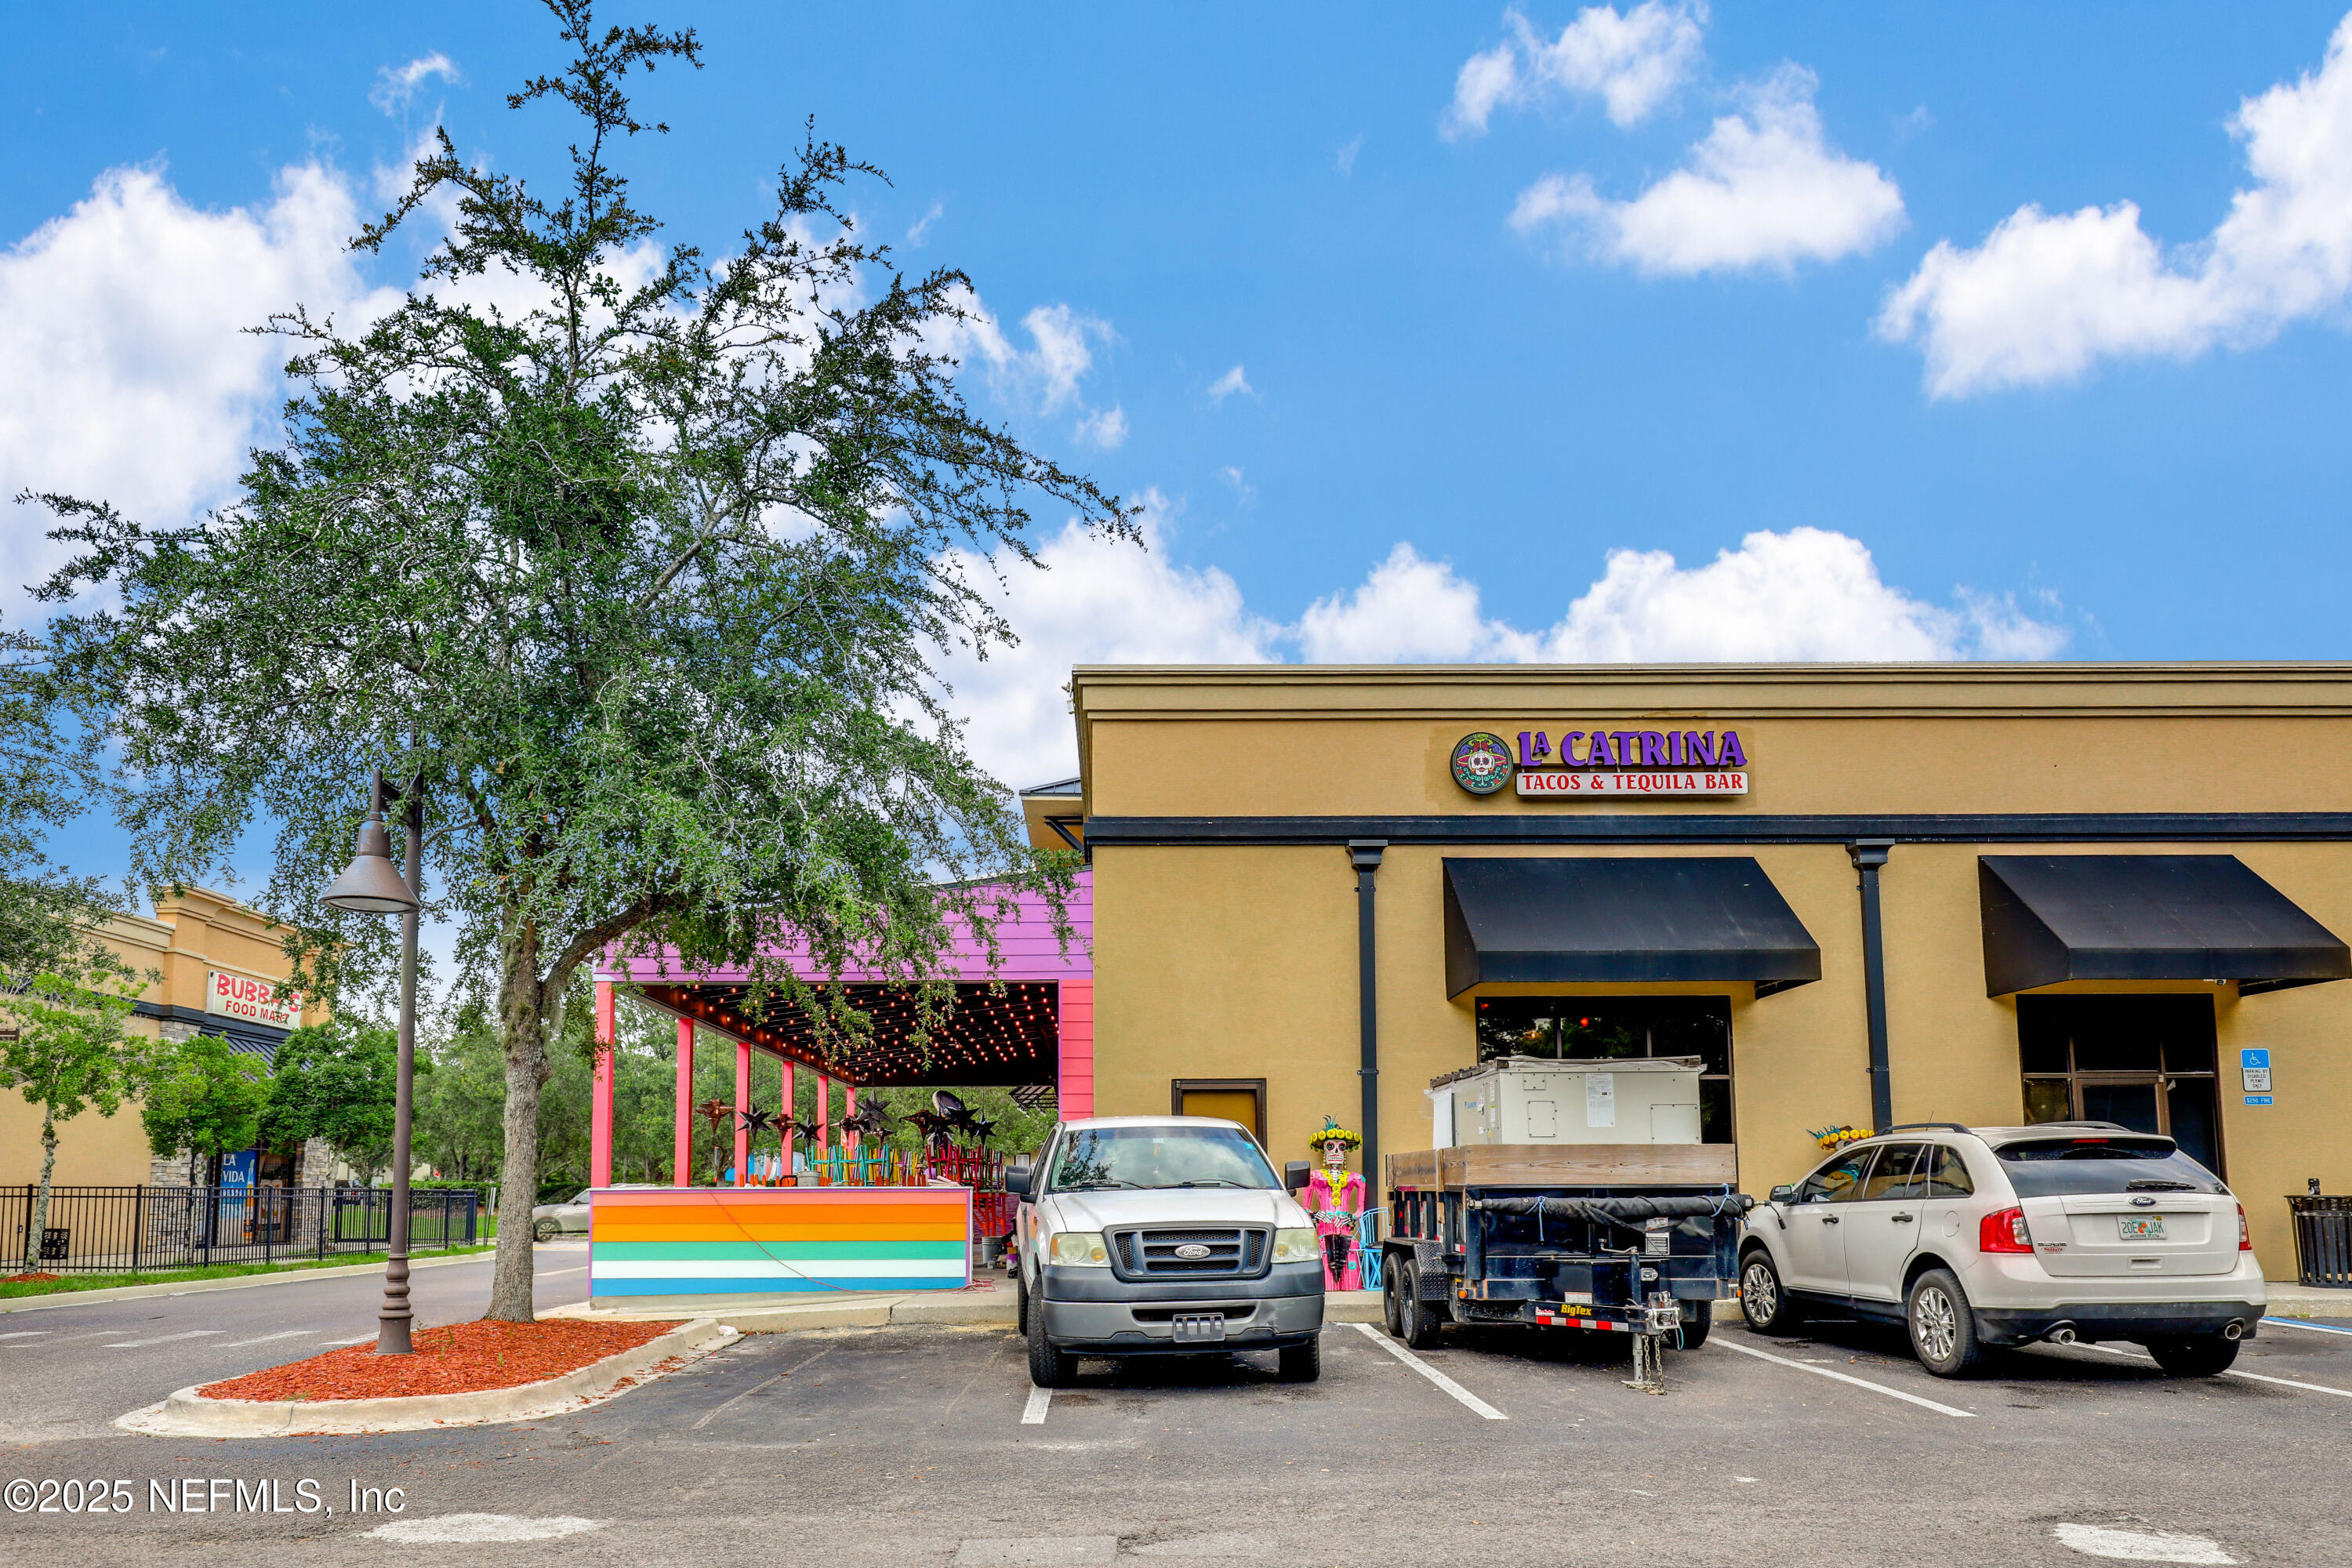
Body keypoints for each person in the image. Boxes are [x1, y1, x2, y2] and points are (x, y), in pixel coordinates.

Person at [1301, 1119, 1364, 1290]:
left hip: (1344, 1227)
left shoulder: (1356, 1178)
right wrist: (1315, 1214)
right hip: (1324, 1227)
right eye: (1330, 1147)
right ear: (1323, 1151)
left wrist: (1350, 1217)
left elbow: (1360, 1210)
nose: (1336, 1151)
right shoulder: (1314, 1176)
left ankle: (1348, 1286)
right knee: (1323, 1250)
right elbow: (1305, 1207)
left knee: (1351, 1248)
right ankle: (1329, 1287)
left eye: (1341, 1147)